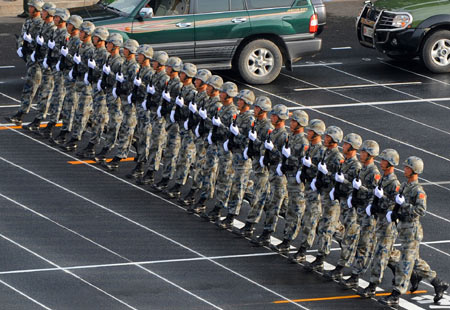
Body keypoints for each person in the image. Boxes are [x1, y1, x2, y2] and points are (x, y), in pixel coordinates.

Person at [380, 156, 449, 305]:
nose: (404, 169)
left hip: (412, 230)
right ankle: (438, 283)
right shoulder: (405, 186)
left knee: (405, 262)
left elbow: (421, 210)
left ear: (414, 170)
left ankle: (396, 294)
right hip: (404, 229)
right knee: (415, 261)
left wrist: (404, 205)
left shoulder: (418, 190)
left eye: (407, 168)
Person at [358, 148, 401, 297]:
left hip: (388, 225)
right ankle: (412, 273)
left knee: (380, 255)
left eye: (384, 160)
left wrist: (381, 198)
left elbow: (396, 205)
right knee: (385, 254)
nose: (381, 162)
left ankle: (372, 285)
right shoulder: (383, 179)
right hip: (380, 221)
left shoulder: (394, 182)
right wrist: (372, 205)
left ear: (391, 163)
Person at [341, 140, 381, 289]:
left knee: (365, 245)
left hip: (368, 213)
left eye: (364, 152)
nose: (361, 154)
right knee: (368, 245)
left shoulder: (374, 173)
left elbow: (376, 195)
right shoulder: (362, 169)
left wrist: (361, 190)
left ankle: (356, 275)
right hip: (360, 211)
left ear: (370, 155)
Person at [323, 133, 362, 280]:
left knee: (350, 238)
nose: (343, 146)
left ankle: (341, 268)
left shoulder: (356, 166)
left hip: (352, 207)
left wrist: (344, 182)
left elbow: (356, 187)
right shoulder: (345, 162)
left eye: (346, 144)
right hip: (344, 203)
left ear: (352, 147)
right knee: (348, 237)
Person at [305, 126, 344, 271]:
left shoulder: (337, 157)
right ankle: (343, 238)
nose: (325, 138)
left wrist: (326, 175)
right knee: (325, 226)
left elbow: (338, 178)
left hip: (332, 197)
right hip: (325, 195)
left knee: (326, 228)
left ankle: (322, 257)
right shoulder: (326, 153)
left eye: (328, 137)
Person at [233, 96, 273, 237]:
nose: (254, 109)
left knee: (258, 196)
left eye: (257, 107)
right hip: (256, 164)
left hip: (263, 168)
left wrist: (256, 143)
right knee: (264, 197)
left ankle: (251, 224)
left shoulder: (268, 127)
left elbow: (268, 148)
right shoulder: (256, 123)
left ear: (263, 110)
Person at [250, 104, 290, 246]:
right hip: (271, 172)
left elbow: (284, 157)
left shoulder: (284, 135)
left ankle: (268, 233)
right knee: (281, 206)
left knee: (275, 204)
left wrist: (272, 150)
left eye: (275, 116)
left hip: (279, 176)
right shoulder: (273, 133)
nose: (272, 117)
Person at [216, 89, 255, 229]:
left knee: (238, 186)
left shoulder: (249, 119)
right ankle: (249, 194)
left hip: (243, 158)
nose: (238, 102)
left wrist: (237, 136)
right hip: (236, 155)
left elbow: (249, 141)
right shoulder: (239, 116)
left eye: (241, 100)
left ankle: (232, 215)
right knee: (235, 184)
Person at [289, 119, 326, 263]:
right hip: (309, 188)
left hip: (317, 192)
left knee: (312, 219)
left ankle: (304, 249)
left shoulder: (322, 151)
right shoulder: (310, 148)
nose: (308, 132)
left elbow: (326, 173)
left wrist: (314, 170)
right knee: (309, 219)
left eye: (311, 131)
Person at [271, 110, 309, 252]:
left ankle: (289, 241)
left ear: (300, 124)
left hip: (298, 183)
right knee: (291, 211)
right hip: (290, 180)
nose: (291, 123)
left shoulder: (303, 142)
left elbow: (303, 163)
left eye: (294, 121)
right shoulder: (291, 138)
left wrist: (290, 159)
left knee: (296, 212)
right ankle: (287, 238)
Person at [103, 39, 141, 170]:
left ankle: (119, 157)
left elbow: (133, 85)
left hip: (130, 103)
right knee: (128, 130)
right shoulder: (124, 63)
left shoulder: (134, 66)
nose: (123, 50)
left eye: (126, 48)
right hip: (123, 101)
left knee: (126, 129)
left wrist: (121, 82)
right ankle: (139, 149)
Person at [7, 0, 44, 125]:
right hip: (29, 59)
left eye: (31, 7)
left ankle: (22, 114)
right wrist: (20, 47)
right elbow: (22, 37)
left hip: (38, 62)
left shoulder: (41, 25)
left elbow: (42, 44)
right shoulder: (28, 21)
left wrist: (32, 46)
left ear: (37, 9)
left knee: (31, 88)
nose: (29, 8)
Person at [22, 2, 57, 132]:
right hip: (43, 62)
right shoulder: (44, 26)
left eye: (44, 11)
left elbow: (55, 49)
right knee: (44, 93)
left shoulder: (53, 29)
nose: (41, 13)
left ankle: (41, 120)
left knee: (47, 94)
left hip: (50, 67)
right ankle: (39, 119)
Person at [37, 8, 71, 139]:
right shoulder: (56, 31)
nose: (55, 19)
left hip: (61, 69)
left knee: (59, 96)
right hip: (54, 67)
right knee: (56, 96)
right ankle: (53, 121)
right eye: (55, 17)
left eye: (58, 17)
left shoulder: (65, 34)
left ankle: (53, 123)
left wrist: (54, 49)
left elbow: (65, 54)